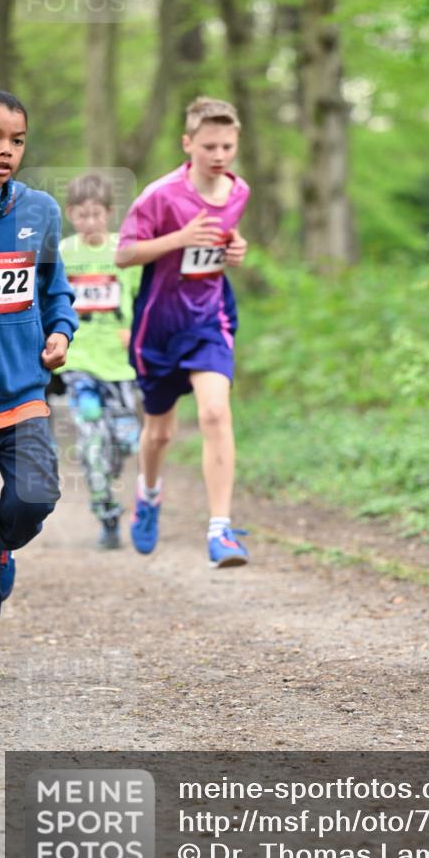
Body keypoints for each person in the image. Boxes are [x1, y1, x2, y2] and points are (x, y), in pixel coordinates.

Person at [116, 96, 250, 567]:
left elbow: (222, 244)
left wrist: (234, 249)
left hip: (209, 318)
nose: (219, 155)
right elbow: (124, 253)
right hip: (158, 327)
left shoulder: (238, 193)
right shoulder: (160, 195)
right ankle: (149, 495)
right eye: (209, 146)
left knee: (216, 413)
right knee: (160, 434)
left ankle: (221, 531)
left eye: (227, 146)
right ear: (188, 143)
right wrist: (179, 239)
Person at [0, 90, 78, 684]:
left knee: (36, 498)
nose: (5, 151)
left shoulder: (39, 211)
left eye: (16, 141)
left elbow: (55, 292)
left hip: (23, 392)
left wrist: (61, 333)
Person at [57, 173, 141, 550]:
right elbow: (50, 299)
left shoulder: (125, 251)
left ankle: (112, 472)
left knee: (123, 442)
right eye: (82, 215)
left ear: (109, 213)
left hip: (119, 362)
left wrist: (136, 331)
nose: (90, 222)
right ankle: (105, 510)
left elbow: (143, 298)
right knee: (91, 434)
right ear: (71, 213)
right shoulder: (62, 254)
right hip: (79, 361)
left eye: (97, 215)